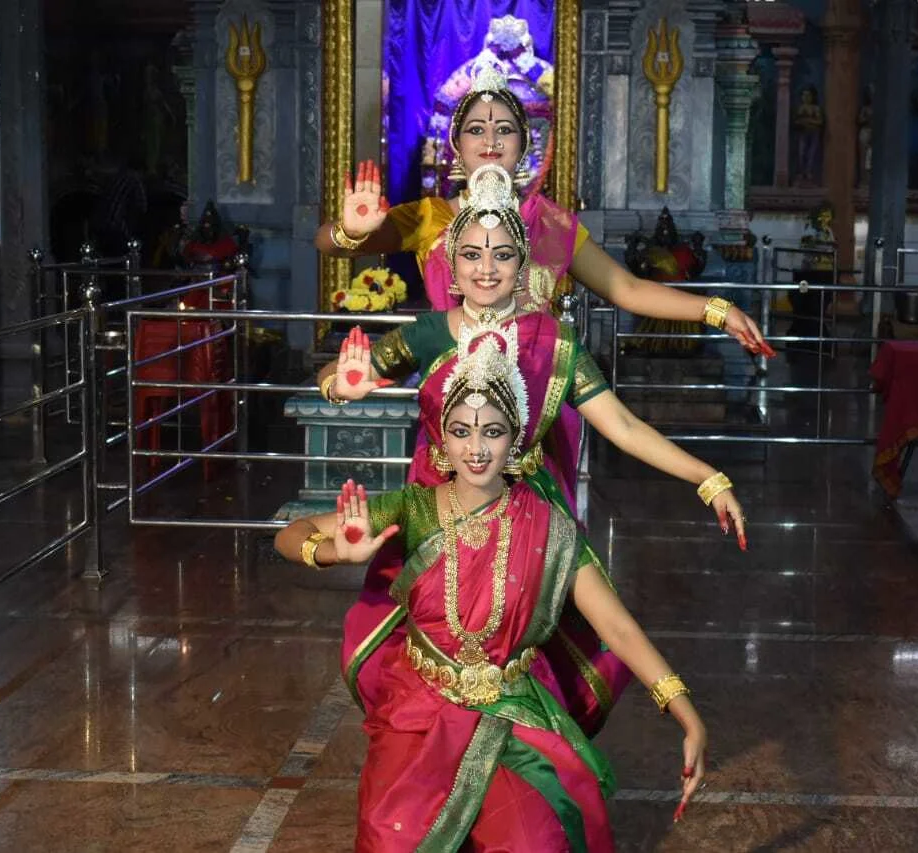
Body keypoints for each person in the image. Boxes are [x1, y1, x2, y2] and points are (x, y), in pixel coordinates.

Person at [318, 165, 747, 736]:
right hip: (442, 507)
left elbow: (621, 425)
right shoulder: (429, 332)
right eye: (471, 254)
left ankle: (524, 745)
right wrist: (339, 382)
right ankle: (434, 743)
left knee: (543, 642)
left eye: (501, 255)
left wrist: (706, 477)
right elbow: (343, 372)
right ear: (453, 262)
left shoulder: (555, 342)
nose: (486, 269)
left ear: (523, 264)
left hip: (529, 513)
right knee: (425, 643)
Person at [276, 329, 708, 850]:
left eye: (492, 432)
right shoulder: (414, 510)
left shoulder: (549, 528)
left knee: (534, 841)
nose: (476, 449)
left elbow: (615, 625)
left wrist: (685, 712)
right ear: (441, 436)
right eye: (460, 431)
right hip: (419, 714)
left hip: (513, 711)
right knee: (391, 837)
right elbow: (291, 534)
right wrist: (332, 553)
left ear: (516, 437)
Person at [314, 68, 773, 357]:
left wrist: (718, 309)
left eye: (505, 131)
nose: (490, 141)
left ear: (524, 147)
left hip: (537, 395)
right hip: (454, 404)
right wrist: (350, 232)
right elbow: (328, 245)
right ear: (457, 146)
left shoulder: (550, 222)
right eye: (476, 129)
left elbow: (628, 289)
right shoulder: (429, 218)